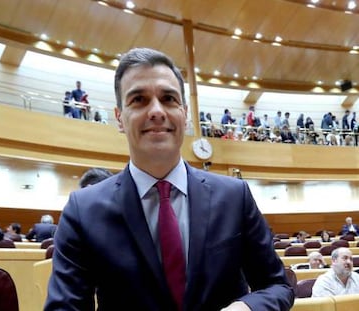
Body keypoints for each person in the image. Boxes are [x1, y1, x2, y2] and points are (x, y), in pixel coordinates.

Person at [45, 47, 294, 311]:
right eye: (139, 99)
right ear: (119, 118)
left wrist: (246, 308)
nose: (156, 111)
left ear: (185, 114)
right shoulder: (83, 210)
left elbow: (277, 286)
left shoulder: (235, 196)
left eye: (168, 98)